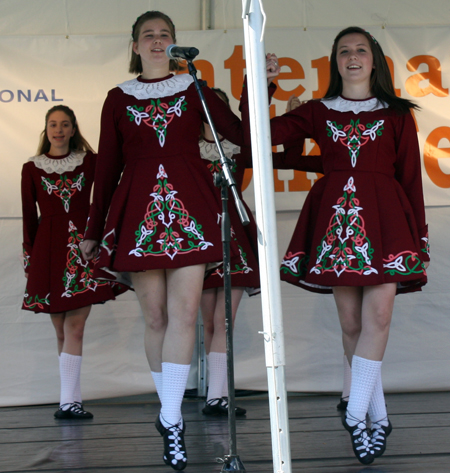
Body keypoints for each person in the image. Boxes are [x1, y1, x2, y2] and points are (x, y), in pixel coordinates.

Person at [243, 28, 430, 465]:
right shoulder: (318, 111)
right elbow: (257, 136)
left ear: (375, 60)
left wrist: (417, 237)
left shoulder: (397, 113)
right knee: (352, 327)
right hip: (336, 224)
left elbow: (411, 180)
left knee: (378, 316)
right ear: (335, 62)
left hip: (385, 222)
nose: (352, 57)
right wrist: (261, 85)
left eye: (361, 50)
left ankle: (357, 410)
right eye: (344, 51)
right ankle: (374, 420)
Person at [80, 11, 246, 471]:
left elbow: (239, 137)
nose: (157, 42)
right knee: (155, 317)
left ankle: (171, 418)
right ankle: (170, 411)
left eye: (165, 36)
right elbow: (107, 166)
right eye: (148, 36)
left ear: (175, 45)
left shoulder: (193, 88)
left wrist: (250, 90)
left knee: (185, 313)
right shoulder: (118, 98)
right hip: (137, 212)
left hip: (190, 206)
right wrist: (94, 229)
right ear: (134, 46)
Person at [21, 105, 125, 419]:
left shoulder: (89, 162)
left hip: (83, 249)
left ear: (73, 128)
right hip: (48, 252)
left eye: (65, 124)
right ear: (45, 129)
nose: (59, 130)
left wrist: (103, 240)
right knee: (62, 332)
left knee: (75, 327)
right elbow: (29, 219)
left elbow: (106, 194)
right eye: (53, 124)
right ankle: (72, 398)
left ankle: (69, 403)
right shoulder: (32, 168)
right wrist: (30, 259)